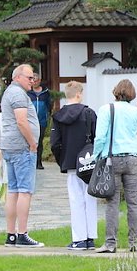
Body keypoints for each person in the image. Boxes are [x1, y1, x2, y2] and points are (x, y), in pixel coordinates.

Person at [92, 79, 137, 253]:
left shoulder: (106, 109)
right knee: (133, 203)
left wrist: (96, 155)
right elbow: (134, 133)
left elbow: (100, 137)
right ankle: (134, 242)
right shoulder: (136, 112)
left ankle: (110, 243)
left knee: (112, 202)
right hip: (134, 157)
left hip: (112, 158)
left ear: (116, 91)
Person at [0, 64, 44, 247]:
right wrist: (32, 143)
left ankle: (11, 234)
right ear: (18, 77)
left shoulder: (11, 92)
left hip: (10, 147)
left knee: (13, 191)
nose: (32, 81)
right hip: (21, 148)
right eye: (29, 77)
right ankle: (22, 234)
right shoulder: (17, 94)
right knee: (25, 191)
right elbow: (22, 121)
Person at [49, 81, 98, 251]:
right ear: (78, 94)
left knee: (76, 201)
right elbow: (96, 138)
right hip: (89, 163)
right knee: (90, 199)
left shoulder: (59, 116)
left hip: (70, 163)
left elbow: (55, 144)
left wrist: (62, 160)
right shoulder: (89, 113)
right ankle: (90, 237)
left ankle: (79, 239)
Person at [28, 80, 51, 169]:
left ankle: (39, 162)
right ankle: (31, 162)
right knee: (30, 142)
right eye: (32, 80)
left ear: (40, 81)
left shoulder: (45, 93)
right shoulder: (28, 93)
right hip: (30, 122)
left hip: (41, 121)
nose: (34, 82)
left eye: (36, 80)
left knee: (39, 142)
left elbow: (49, 105)